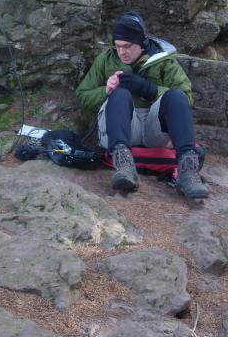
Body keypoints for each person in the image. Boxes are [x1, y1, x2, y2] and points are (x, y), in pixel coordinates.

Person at [75, 11, 209, 203]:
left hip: (153, 128)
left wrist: (150, 89)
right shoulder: (106, 59)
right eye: (118, 46)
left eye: (128, 46)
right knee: (119, 93)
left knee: (176, 96)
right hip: (121, 129)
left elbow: (186, 99)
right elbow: (82, 97)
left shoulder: (164, 61)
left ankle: (187, 171)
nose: (122, 52)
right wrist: (106, 90)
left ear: (142, 42)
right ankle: (124, 167)